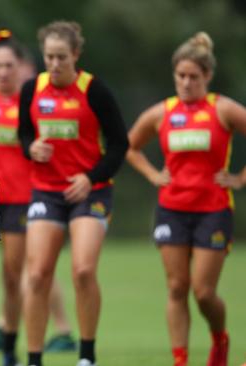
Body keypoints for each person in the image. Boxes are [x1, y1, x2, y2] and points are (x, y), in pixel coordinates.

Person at [126, 32, 246, 366]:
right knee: (177, 287)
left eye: (194, 76)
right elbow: (129, 146)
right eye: (181, 76)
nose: (186, 82)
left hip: (213, 210)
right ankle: (180, 360)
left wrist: (239, 178)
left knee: (203, 292)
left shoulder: (222, 109)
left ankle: (220, 339)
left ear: (207, 76)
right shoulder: (162, 113)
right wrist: (153, 175)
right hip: (172, 210)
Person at [17, 21, 128, 366]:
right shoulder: (32, 88)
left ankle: (86, 356)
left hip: (90, 192)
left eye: (61, 57)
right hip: (46, 192)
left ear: (76, 54)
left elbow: (119, 144)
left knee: (82, 270)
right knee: (36, 274)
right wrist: (31, 147)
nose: (54, 63)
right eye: (49, 56)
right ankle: (34, 358)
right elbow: (23, 135)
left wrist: (90, 177)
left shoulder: (94, 90)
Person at [0, 29, 75, 366]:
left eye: (10, 65)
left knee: (14, 274)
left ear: (20, 66)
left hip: (23, 199)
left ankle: (9, 346)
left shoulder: (32, 98)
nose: (3, 71)